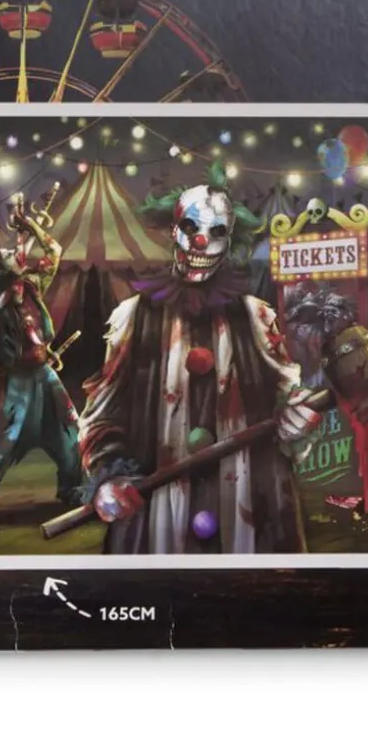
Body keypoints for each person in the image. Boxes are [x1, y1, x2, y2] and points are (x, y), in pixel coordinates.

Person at [79, 165, 320, 554]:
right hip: (159, 512)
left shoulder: (257, 318)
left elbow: (287, 402)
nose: (201, 241)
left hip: (244, 507)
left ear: (229, 241)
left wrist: (295, 421)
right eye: (190, 227)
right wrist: (107, 477)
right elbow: (101, 415)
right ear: (173, 231)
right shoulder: (134, 318)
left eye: (217, 232)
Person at [0, 193, 82, 528]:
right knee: (2, 443)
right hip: (16, 382)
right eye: (8, 259)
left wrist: (29, 224)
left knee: (71, 428)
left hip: (44, 375)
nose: (16, 259)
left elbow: (54, 250)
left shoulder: (33, 286)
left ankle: (72, 488)